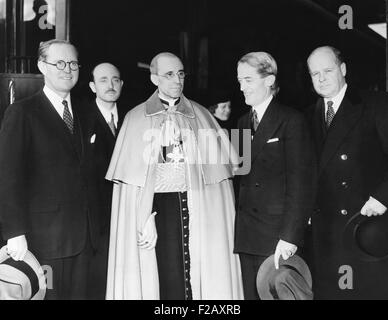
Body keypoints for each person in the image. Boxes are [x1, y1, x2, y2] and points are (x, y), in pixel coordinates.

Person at [105, 52, 243, 300]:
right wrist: (143, 217)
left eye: (180, 74)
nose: (177, 80)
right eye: (169, 74)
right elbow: (133, 187)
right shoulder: (136, 118)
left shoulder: (201, 116)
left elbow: (220, 184)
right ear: (154, 78)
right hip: (159, 213)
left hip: (196, 211)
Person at [0, 39, 99, 300]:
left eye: (74, 63)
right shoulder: (22, 112)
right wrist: (14, 233)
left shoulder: (87, 112)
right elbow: (8, 177)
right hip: (43, 240)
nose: (68, 69)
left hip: (84, 239)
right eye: (60, 63)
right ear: (42, 66)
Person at [306, 46, 388, 299]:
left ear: (343, 70)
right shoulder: (305, 117)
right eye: (315, 74)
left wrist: (383, 197)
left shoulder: (375, 104)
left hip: (366, 228)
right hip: (325, 240)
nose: (321, 78)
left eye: (328, 70)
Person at [234, 51, 315, 300]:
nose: (242, 87)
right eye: (239, 81)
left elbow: (301, 183)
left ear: (269, 80)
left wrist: (290, 236)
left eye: (248, 80)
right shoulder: (241, 123)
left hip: (277, 237)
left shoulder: (292, 120)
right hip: (248, 237)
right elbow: (242, 178)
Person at [80, 62, 128, 299]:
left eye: (115, 80)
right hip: (95, 224)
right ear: (91, 86)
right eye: (103, 80)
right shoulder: (80, 119)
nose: (110, 85)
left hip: (127, 217)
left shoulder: (133, 118)